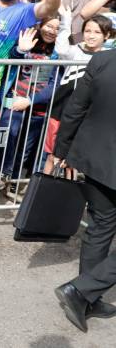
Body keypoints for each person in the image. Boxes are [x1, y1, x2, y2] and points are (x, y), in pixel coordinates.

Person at [52, 48, 116, 333]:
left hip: (93, 157)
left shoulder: (103, 59)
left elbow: (76, 106)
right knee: (100, 227)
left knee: (100, 227)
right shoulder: (103, 59)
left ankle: (87, 298)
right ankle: (82, 290)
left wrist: (61, 149)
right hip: (102, 161)